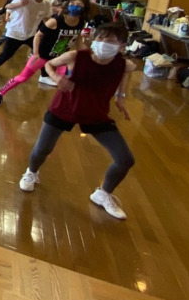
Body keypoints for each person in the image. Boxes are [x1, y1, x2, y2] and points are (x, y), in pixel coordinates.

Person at [18, 23, 136, 220]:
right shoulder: (76, 57)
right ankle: (31, 172)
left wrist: (121, 96)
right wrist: (56, 78)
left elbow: (126, 71)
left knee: (125, 159)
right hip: (64, 109)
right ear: (92, 40)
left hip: (96, 114)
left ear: (122, 46)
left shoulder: (123, 64)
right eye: (100, 39)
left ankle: (103, 194)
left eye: (111, 41)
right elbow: (49, 64)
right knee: (43, 149)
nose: (104, 43)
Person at [0, 0, 87, 105]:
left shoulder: (81, 23)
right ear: (67, 6)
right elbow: (38, 35)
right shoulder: (55, 21)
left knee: (67, 81)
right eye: (72, 4)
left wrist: (88, 53)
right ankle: (0, 93)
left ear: (84, 8)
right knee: (23, 77)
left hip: (59, 59)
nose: (75, 7)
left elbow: (78, 40)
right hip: (42, 56)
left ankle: (66, 105)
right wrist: (36, 53)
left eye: (79, 5)